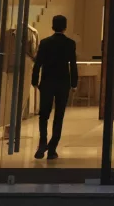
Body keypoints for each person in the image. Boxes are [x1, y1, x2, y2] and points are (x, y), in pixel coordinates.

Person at [32, 15, 78, 160]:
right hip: (63, 82)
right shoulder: (70, 43)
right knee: (59, 115)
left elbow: (38, 63)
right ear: (65, 27)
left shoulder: (45, 43)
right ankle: (52, 148)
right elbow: (73, 65)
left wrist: (34, 80)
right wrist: (74, 83)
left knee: (44, 114)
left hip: (47, 81)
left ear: (53, 26)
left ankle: (42, 142)